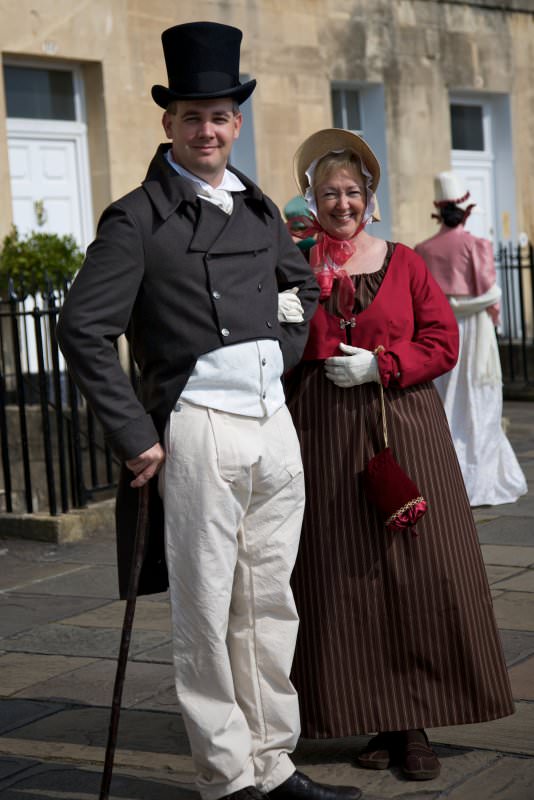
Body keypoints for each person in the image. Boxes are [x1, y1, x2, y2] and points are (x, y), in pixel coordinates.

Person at [56, 24, 365, 800]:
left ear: (236, 123)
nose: (207, 130)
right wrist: (135, 436)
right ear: (169, 123)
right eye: (192, 116)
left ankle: (273, 763)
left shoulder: (258, 208)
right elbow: (83, 327)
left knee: (269, 604)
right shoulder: (136, 219)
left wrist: (282, 347)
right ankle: (228, 779)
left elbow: (300, 287)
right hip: (198, 427)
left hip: (273, 425)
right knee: (207, 608)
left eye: (220, 116)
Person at [285, 128, 515, 782]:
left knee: (420, 567)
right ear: (311, 199)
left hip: (404, 426)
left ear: (370, 197)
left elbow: (442, 341)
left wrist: (382, 365)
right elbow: (277, 348)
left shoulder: (406, 262)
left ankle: (414, 722)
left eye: (352, 192)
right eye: (328, 193)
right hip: (324, 432)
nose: (342, 203)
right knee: (342, 574)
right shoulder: (294, 267)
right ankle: (373, 714)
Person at [415, 172, 527, 506]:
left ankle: (446, 477)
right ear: (466, 211)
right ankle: (478, 477)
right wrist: (493, 315)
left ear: (438, 210)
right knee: (479, 398)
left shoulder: (423, 249)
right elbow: (489, 291)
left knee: (446, 398)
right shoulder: (476, 245)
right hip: (474, 329)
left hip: (439, 329)